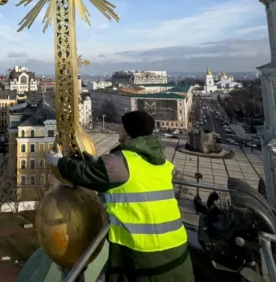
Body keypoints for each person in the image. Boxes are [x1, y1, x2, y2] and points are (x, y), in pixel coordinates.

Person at [46, 111, 194, 282]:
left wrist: (59, 162)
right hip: (177, 250)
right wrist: (97, 164)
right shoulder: (160, 161)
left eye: (121, 126)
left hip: (143, 255)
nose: (119, 129)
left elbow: (84, 174)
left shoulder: (121, 161)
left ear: (128, 131)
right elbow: (132, 179)